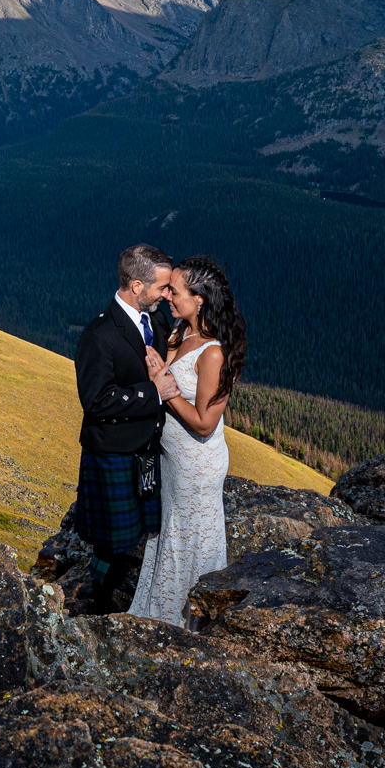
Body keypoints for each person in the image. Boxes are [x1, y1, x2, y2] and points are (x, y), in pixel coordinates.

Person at [128, 255, 247, 628]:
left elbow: (205, 422)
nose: (167, 297)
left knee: (188, 540)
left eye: (174, 291)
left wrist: (166, 389)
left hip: (197, 463)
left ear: (199, 298)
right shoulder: (181, 331)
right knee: (170, 534)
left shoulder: (213, 351)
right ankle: (159, 611)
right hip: (173, 459)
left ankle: (177, 623)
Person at [74, 243, 179, 614]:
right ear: (137, 286)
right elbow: (97, 401)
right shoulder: (99, 335)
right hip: (113, 451)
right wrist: (154, 392)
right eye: (162, 288)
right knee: (112, 541)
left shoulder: (158, 322)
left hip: (145, 449)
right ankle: (97, 602)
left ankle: (112, 594)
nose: (167, 295)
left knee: (140, 532)